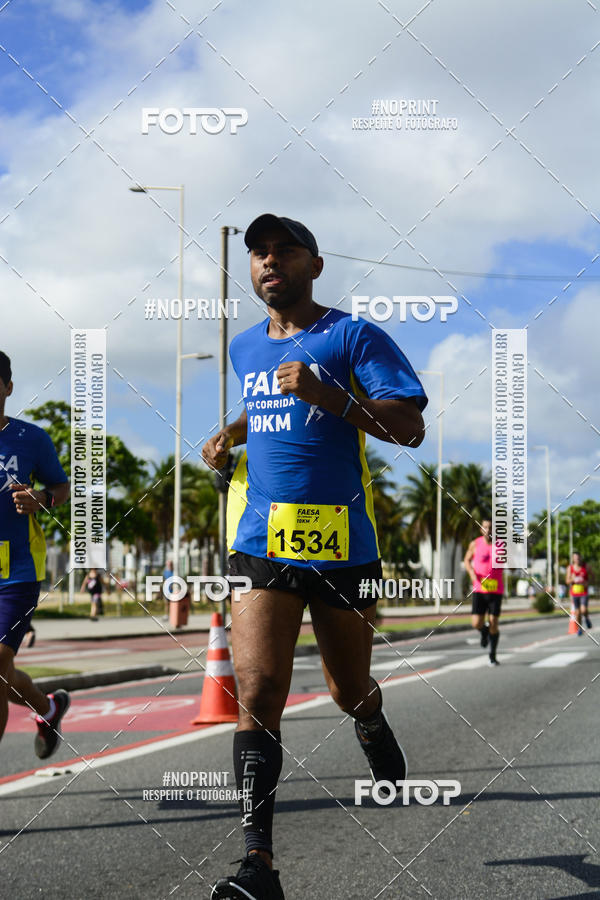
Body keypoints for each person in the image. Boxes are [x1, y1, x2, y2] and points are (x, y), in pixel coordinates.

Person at [202, 214, 427, 900]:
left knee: (344, 686)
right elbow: (262, 400)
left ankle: (368, 716)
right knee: (260, 690)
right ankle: (257, 864)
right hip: (262, 539)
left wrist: (332, 397)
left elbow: (409, 429)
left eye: (285, 251)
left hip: (342, 544)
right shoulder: (245, 348)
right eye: (259, 254)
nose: (270, 262)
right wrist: (228, 436)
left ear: (315, 266)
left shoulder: (353, 335)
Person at [0, 351, 71, 756]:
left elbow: (60, 488)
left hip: (17, 573)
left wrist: (42, 497)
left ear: (8, 388)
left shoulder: (31, 438)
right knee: (2, 673)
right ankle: (49, 707)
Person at [464, 519, 504, 666]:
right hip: (479, 589)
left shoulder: (501, 545)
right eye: (485, 527)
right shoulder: (475, 544)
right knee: (476, 623)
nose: (488, 530)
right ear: (481, 529)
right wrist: (471, 573)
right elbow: (467, 560)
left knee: (494, 623)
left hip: (496, 589)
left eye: (491, 527)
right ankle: (484, 632)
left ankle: (492, 656)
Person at [565, 551, 591, 635]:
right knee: (578, 612)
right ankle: (580, 628)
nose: (577, 560)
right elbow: (567, 581)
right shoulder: (570, 568)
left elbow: (593, 577)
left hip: (584, 592)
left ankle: (587, 618)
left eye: (578, 558)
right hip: (575, 593)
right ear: (573, 559)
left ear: (581, 558)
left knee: (583, 610)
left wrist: (588, 582)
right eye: (575, 558)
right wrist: (572, 579)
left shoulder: (586, 567)